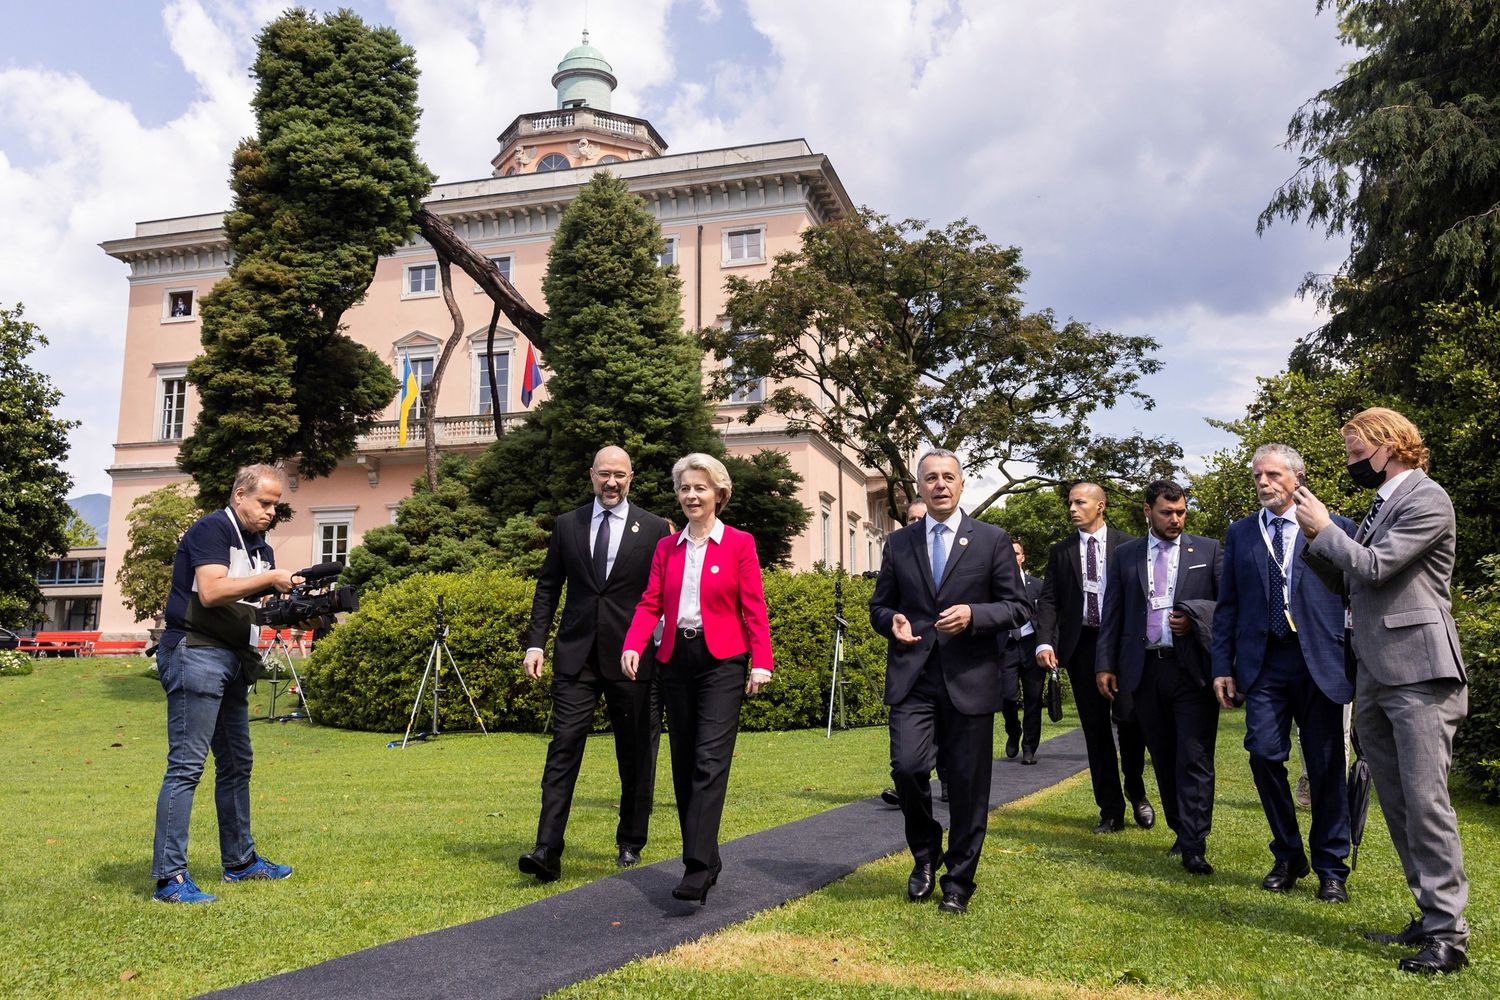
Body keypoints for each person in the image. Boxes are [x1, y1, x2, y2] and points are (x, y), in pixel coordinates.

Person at [1294, 408, 1469, 975]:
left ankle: (1448, 935)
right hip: (1375, 673)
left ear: (1389, 445)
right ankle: (1430, 913)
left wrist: (1327, 528)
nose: (1350, 462)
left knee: (1425, 803)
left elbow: (1374, 567)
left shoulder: (1426, 499)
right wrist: (1315, 539)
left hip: (1419, 671)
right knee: (1396, 802)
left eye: (1355, 452)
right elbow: (1350, 580)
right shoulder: (1383, 503)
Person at [870, 449, 1029, 914]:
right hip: (914, 677)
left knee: (967, 787)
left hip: (970, 679)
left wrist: (975, 615)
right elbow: (879, 606)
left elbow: (1018, 607)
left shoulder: (992, 540)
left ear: (961, 484)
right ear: (918, 487)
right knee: (907, 768)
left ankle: (959, 880)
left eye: (948, 477)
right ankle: (925, 853)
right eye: (931, 478)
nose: (940, 484)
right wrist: (892, 620)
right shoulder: (900, 543)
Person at [622, 453, 772, 904]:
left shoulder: (739, 543)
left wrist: (761, 662)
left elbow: (754, 606)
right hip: (675, 659)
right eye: (685, 488)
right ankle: (708, 855)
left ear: (719, 494)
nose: (691, 495)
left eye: (700, 488)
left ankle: (697, 866)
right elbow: (651, 602)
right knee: (685, 763)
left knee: (709, 761)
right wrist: (633, 643)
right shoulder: (667, 548)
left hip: (722, 661)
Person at [518, 446, 672, 882]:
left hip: (631, 657)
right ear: (592, 475)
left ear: (631, 478)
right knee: (563, 746)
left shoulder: (654, 528)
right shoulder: (568, 525)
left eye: (619, 475)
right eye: (605, 474)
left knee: (635, 751)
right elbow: (548, 587)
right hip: (576, 656)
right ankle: (547, 848)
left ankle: (631, 840)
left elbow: (662, 593)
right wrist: (535, 645)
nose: (611, 482)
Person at [150, 464, 300, 904]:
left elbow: (257, 609)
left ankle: (240, 862)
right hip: (195, 651)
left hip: (234, 658)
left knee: (237, 763)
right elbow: (212, 591)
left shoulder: (261, 547)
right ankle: (169, 880)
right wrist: (271, 578)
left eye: (276, 505)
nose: (270, 512)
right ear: (239, 495)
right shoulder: (212, 529)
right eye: (264, 502)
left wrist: (301, 609)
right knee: (186, 766)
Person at [1211, 444, 1353, 902]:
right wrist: (1222, 666)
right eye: (1258, 475)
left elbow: (1354, 598)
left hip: (1320, 662)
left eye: (1273, 475)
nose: (1263, 482)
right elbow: (1227, 606)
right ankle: (1289, 853)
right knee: (1263, 754)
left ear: (1298, 478)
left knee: (1326, 766)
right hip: (1264, 662)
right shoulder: (1241, 533)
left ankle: (1331, 867)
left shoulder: (1334, 527)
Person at [1098, 480, 1222, 875]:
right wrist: (1105, 664)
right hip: (1144, 670)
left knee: (1194, 756)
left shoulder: (1208, 550)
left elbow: (1227, 606)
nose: (1176, 519)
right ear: (1147, 511)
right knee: (1164, 756)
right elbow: (1113, 612)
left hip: (1191, 670)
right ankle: (1181, 829)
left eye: (1181, 512)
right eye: (1167, 512)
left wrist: (1195, 617)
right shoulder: (1126, 555)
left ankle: (1195, 843)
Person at [1034, 483, 1155, 833]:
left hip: (1123, 644)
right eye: (1070, 503)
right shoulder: (1061, 551)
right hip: (1082, 645)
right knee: (1096, 730)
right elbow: (1050, 600)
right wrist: (1044, 643)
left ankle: (1136, 789)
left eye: (1080, 502)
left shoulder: (1129, 546)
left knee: (1130, 721)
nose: (1072, 509)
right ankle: (1111, 810)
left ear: (1100, 506)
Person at [1001, 541, 1046, 764]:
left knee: (1033, 699)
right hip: (1007, 646)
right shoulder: (997, 586)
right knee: (1007, 697)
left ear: (1023, 557)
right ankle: (1013, 730)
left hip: (1031, 646)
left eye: (1016, 553)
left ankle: (1029, 748)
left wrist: (1049, 647)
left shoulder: (1037, 586)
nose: (1012, 557)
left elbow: (1048, 619)